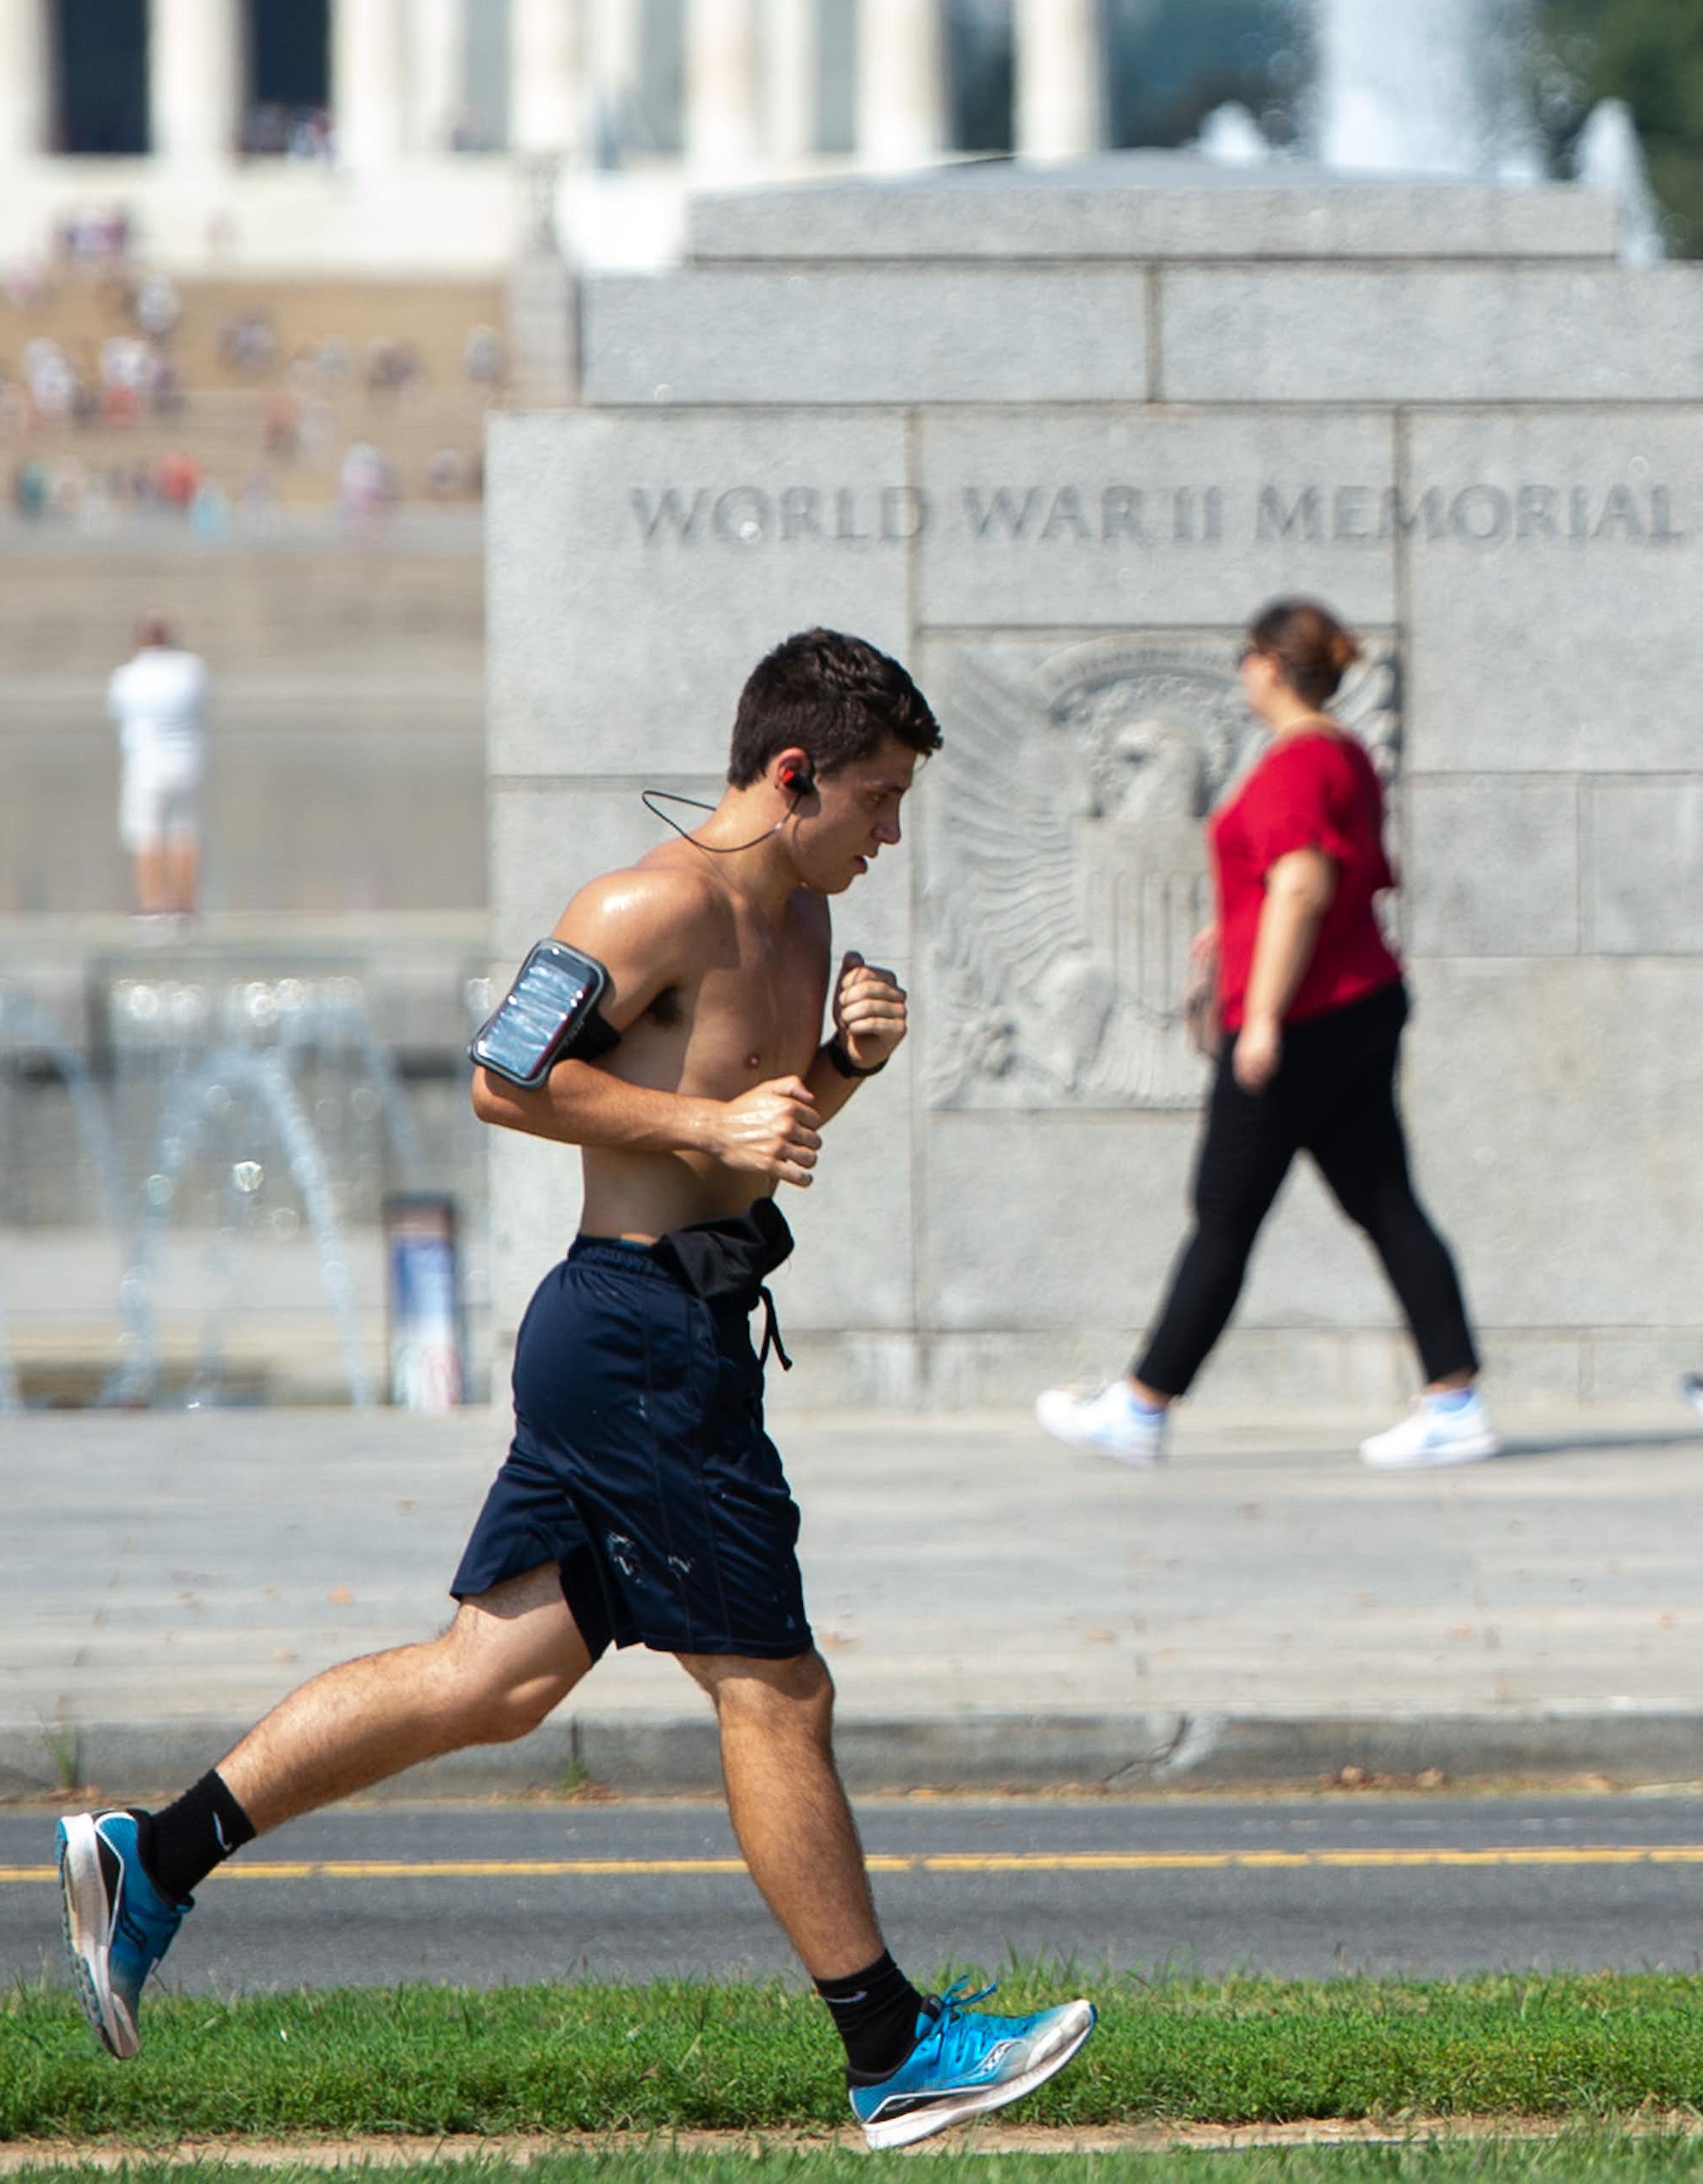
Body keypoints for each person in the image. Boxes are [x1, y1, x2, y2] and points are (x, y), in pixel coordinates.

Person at [54, 630, 1097, 2146]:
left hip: (672, 1326)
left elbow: (750, 1130)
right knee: (776, 1690)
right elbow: (504, 1071)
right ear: (791, 774)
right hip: (633, 1337)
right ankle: (892, 2049)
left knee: (496, 1678)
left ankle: (152, 1859)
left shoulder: (802, 920)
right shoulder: (646, 902)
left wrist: (842, 1069)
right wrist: (720, 1122)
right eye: (874, 800)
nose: (891, 834)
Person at [1037, 598, 1498, 1473]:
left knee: (1223, 1214)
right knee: (1384, 1202)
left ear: (1270, 665)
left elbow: (1301, 884)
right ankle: (1454, 1399)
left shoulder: (1296, 763)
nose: (1242, 671)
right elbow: (1302, 885)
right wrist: (1233, 928)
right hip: (1358, 1003)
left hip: (1305, 1020)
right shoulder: (1343, 753)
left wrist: (1265, 1020)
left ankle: (1141, 1406)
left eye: (1247, 657)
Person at [108, 612, 208, 917]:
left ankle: (154, 908)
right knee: (184, 834)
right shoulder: (191, 670)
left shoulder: (128, 676)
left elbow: (119, 715)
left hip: (146, 764)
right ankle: (185, 906)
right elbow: (203, 706)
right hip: (187, 761)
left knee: (147, 836)